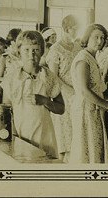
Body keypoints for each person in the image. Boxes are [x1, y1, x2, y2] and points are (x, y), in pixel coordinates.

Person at [2, 31, 65, 158]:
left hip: (44, 135)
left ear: (41, 52)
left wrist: (46, 102)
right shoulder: (11, 79)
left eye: (35, 50)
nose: (31, 54)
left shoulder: (49, 77)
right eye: (26, 50)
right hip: (20, 134)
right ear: (19, 52)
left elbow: (61, 108)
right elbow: (5, 112)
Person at [70, 24, 108, 163]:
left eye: (102, 38)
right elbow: (84, 90)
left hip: (92, 109)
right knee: (87, 151)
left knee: (93, 149)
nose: (99, 41)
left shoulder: (91, 57)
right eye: (95, 37)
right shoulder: (83, 59)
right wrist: (107, 105)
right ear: (87, 38)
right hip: (85, 110)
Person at [46, 15, 82, 162]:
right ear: (67, 29)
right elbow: (53, 78)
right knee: (64, 138)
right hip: (63, 98)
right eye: (75, 29)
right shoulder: (55, 50)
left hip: (79, 95)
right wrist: (71, 91)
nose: (78, 32)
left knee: (77, 138)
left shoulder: (78, 48)